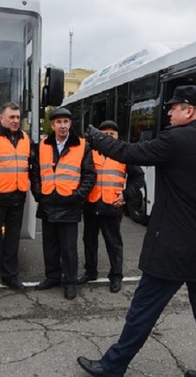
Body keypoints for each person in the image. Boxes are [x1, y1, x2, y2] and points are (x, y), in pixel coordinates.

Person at [76, 85, 196, 377]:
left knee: (143, 310)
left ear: (189, 111)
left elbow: (128, 152)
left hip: (172, 247)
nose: (169, 112)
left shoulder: (176, 140)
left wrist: (96, 137)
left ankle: (112, 366)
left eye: (174, 108)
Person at [31, 107, 96, 300]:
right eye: (58, 122)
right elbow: (34, 172)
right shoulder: (42, 145)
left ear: (70, 124)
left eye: (66, 122)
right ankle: (52, 277)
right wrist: (38, 194)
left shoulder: (82, 146)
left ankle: (69, 282)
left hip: (69, 203)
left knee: (69, 248)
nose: (62, 126)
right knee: (49, 246)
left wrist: (77, 197)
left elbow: (90, 175)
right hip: (48, 201)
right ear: (52, 125)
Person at [0, 102, 38, 297]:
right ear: (1, 118)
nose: (15, 121)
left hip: (17, 198)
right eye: (11, 117)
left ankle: (10, 276)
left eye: (18, 117)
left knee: (12, 240)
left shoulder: (25, 138)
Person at [78, 120, 145, 293]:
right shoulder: (90, 152)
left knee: (114, 243)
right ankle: (90, 271)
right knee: (89, 241)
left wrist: (125, 195)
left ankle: (116, 276)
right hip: (91, 205)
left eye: (112, 134)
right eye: (104, 134)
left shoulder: (124, 154)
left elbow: (138, 177)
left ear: (117, 136)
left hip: (112, 205)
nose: (108, 136)